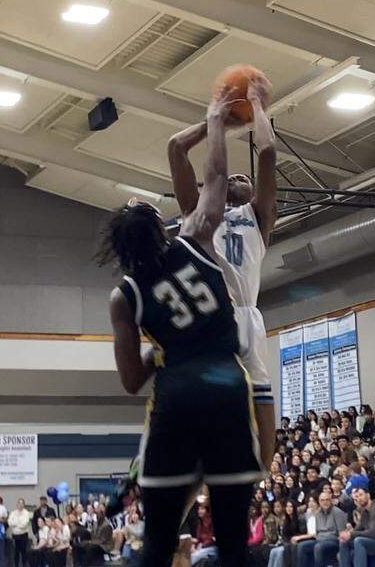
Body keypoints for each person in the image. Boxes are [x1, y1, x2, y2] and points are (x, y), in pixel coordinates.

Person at [101, 82, 262, 567]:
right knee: (234, 542)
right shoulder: (193, 237)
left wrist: (161, 351)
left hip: (175, 399)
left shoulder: (123, 295)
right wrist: (216, 119)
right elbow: (214, 177)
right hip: (228, 388)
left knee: (158, 542)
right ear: (159, 226)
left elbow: (131, 381)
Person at [167, 72, 277, 469]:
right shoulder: (199, 214)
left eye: (245, 179)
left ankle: (263, 469)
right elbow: (176, 149)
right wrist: (218, 119)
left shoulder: (260, 216)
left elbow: (266, 154)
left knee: (261, 389)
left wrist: (258, 106)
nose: (239, 177)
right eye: (233, 175)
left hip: (247, 311)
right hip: (211, 311)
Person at [338, 487, 375, 567]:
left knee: (359, 541)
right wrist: (346, 534)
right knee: (344, 541)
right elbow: (356, 530)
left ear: (368, 495)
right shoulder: (365, 513)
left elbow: (373, 532)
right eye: (357, 497)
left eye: (361, 495)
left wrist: (351, 533)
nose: (359, 498)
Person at [291, 490, 345, 567]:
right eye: (322, 500)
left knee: (318, 547)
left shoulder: (337, 512)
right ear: (319, 502)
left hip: (333, 541)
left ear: (331, 501)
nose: (325, 502)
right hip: (319, 540)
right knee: (302, 546)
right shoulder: (318, 513)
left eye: (327, 500)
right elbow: (317, 532)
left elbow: (341, 534)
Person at [8, 499, 32, 567]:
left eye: (22, 503)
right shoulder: (13, 513)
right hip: (15, 535)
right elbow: (10, 523)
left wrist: (16, 523)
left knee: (23, 551)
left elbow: (24, 525)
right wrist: (18, 523)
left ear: (24, 505)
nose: (20, 505)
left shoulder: (26, 513)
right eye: (19, 503)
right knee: (16, 552)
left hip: (23, 534)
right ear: (17, 504)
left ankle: (24, 565)